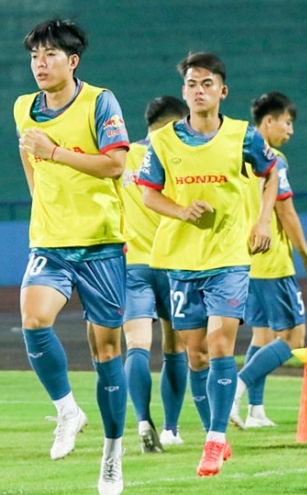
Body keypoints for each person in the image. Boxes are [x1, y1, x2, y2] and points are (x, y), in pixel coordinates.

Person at [138, 52, 278, 477]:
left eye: (207, 84)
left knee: (219, 345)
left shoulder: (243, 136)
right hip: (181, 260)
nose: (199, 91)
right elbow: (148, 194)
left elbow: (271, 173)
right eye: (192, 84)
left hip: (229, 257)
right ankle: (214, 432)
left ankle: (214, 440)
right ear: (184, 92)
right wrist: (182, 211)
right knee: (195, 354)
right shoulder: (164, 141)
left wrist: (262, 220)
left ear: (222, 91)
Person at [14, 19, 130, 495]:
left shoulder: (100, 102)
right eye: (34, 56)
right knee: (34, 319)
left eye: (50, 55)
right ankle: (67, 409)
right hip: (51, 242)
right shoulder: (24, 107)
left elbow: (116, 164)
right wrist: (42, 202)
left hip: (101, 243)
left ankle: (112, 453)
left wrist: (56, 151)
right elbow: (29, 158)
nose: (40, 64)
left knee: (107, 352)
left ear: (73, 61)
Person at [229, 92, 307, 429]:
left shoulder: (236, 152)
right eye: (287, 122)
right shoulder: (274, 160)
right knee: (294, 338)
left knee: (262, 336)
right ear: (268, 122)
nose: (290, 130)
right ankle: (237, 387)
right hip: (272, 261)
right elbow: (287, 212)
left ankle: (255, 411)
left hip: (246, 259)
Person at [121, 96, 190, 453]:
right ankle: (171, 429)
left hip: (132, 265)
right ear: (172, 125)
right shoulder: (177, 157)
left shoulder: (121, 158)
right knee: (175, 346)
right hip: (173, 263)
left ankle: (141, 420)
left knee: (136, 344)